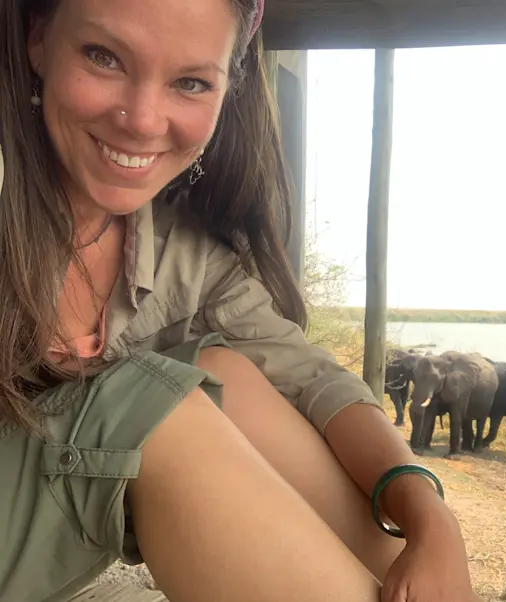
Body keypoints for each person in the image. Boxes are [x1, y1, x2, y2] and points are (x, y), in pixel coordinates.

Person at [0, 1, 480, 601]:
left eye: (191, 82)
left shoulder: (184, 254)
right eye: (104, 57)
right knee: (159, 414)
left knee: (223, 371)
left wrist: (426, 512)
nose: (145, 120)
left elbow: (308, 377)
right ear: (38, 39)